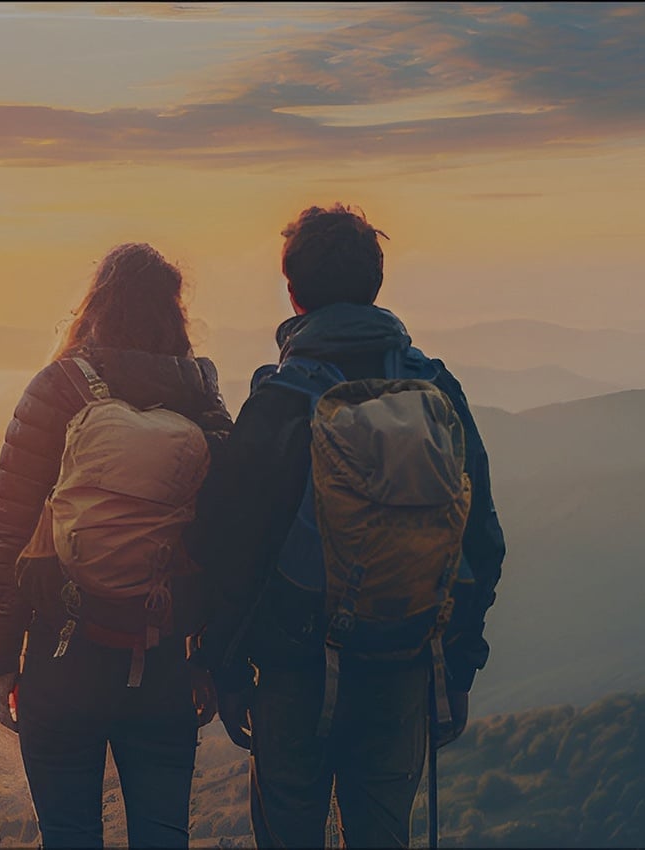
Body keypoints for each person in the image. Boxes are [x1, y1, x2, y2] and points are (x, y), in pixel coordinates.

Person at [188, 205, 507, 848]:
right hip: (400, 670)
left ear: (292, 293)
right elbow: (482, 543)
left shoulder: (279, 403)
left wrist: (225, 672)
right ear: (376, 284)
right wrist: (458, 669)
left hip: (293, 677)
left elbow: (223, 550)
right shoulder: (436, 390)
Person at [0, 242, 233, 849]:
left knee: (69, 836)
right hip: (164, 660)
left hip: (60, 656)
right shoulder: (202, 404)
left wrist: (1, 658)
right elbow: (226, 543)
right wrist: (207, 657)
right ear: (175, 316)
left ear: (96, 308)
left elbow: (13, 533)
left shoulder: (57, 389)